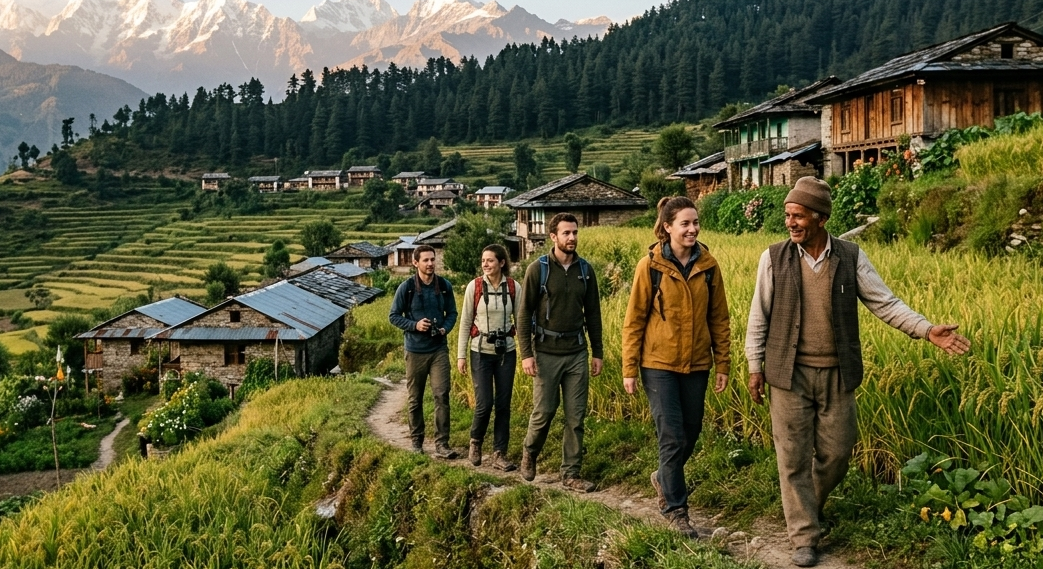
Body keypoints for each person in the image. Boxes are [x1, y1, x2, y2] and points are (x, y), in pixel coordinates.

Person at [745, 176, 971, 567]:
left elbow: (886, 303)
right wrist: (754, 365)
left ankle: (807, 509)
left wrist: (926, 329)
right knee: (793, 457)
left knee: (838, 452)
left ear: (820, 218)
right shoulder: (774, 258)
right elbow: (757, 316)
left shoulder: (850, 257)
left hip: (838, 374)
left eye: (798, 215)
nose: (791, 222)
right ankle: (804, 536)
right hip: (789, 375)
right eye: (788, 215)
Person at [621, 196, 731, 539]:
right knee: (671, 435)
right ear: (667, 227)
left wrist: (723, 363)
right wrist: (629, 369)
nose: (692, 229)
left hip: (697, 362)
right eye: (684, 223)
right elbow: (634, 320)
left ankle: (662, 478)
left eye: (695, 222)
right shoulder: (649, 267)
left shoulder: (709, 266)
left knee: (691, 432)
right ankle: (676, 509)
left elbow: (719, 318)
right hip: (658, 364)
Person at [516, 212, 603, 492]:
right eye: (566, 233)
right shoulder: (537, 269)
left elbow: (593, 314)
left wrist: (597, 352)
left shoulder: (585, 271)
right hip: (545, 352)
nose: (572, 238)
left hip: (576, 351)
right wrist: (526, 354)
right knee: (544, 412)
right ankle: (530, 452)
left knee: (576, 416)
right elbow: (524, 313)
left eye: (575, 232)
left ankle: (571, 473)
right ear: (553, 236)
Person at [389, 245, 459, 459]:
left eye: (432, 260)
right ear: (415, 263)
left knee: (441, 395)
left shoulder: (444, 286)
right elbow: (394, 316)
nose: (430, 264)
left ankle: (442, 443)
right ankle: (417, 441)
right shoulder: (406, 287)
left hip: (438, 349)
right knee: (415, 398)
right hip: (415, 350)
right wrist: (415, 325)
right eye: (426, 260)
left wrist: (445, 328)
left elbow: (452, 313)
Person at [457, 244, 520, 471]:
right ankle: (476, 442)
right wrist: (460, 356)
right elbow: (465, 322)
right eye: (483, 260)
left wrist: (528, 355)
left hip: (506, 352)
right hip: (480, 351)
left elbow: (521, 322)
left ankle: (499, 454)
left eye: (490, 260)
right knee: (485, 403)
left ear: (502, 263)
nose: (485, 264)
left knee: (503, 404)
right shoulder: (474, 287)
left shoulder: (514, 287)